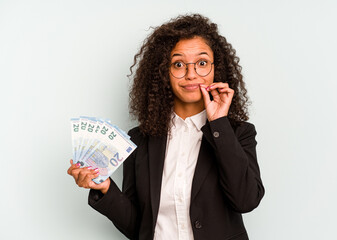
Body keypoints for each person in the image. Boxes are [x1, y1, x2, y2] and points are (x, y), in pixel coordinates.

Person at [68, 14, 265, 240]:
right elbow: (139, 227)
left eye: (202, 63)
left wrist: (219, 123)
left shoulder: (239, 133)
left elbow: (246, 200)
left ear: (215, 69)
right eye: (178, 64)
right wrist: (105, 188)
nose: (191, 74)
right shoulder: (139, 140)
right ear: (163, 71)